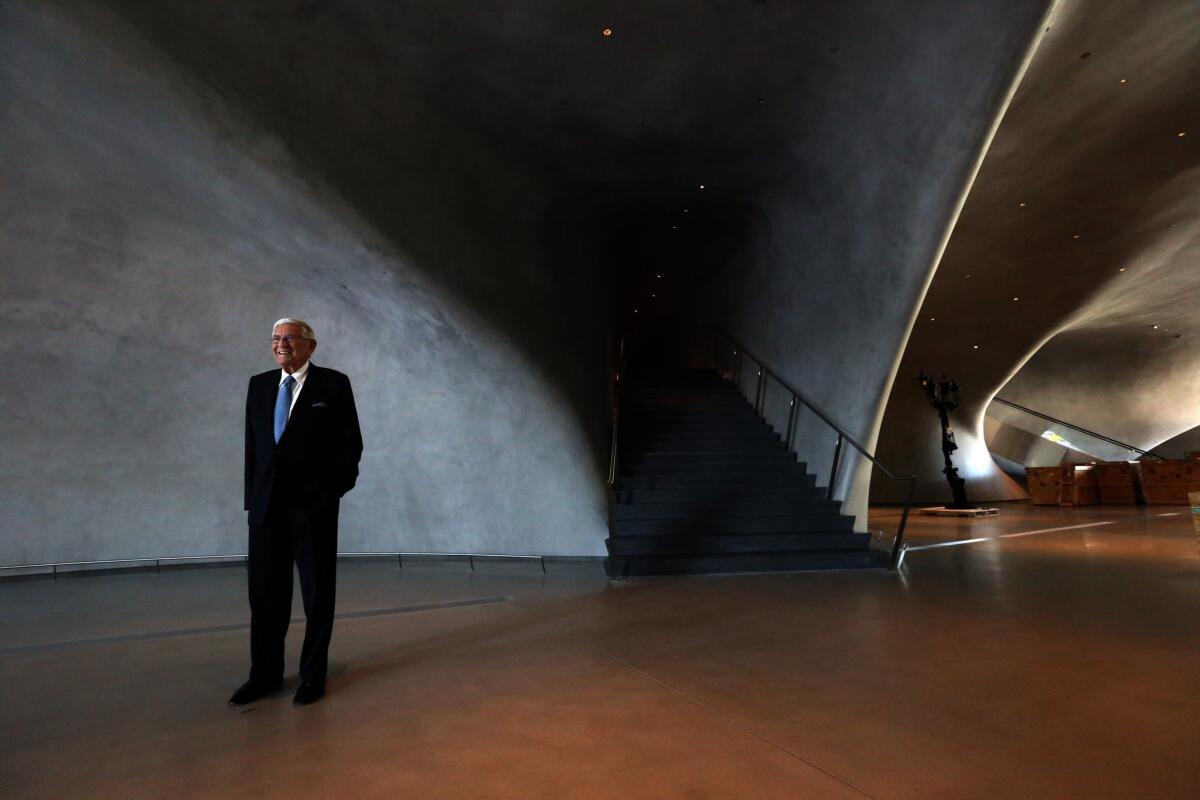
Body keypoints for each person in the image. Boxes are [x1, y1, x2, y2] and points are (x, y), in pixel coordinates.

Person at [229, 318, 363, 707]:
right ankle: (264, 675)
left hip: (313, 512)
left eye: (289, 338)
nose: (280, 344)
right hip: (266, 510)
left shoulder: (334, 385)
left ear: (310, 345)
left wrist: (328, 494)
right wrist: (252, 501)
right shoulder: (258, 385)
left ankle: (312, 676)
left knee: (317, 594)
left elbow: (350, 446)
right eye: (275, 338)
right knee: (265, 597)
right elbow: (253, 450)